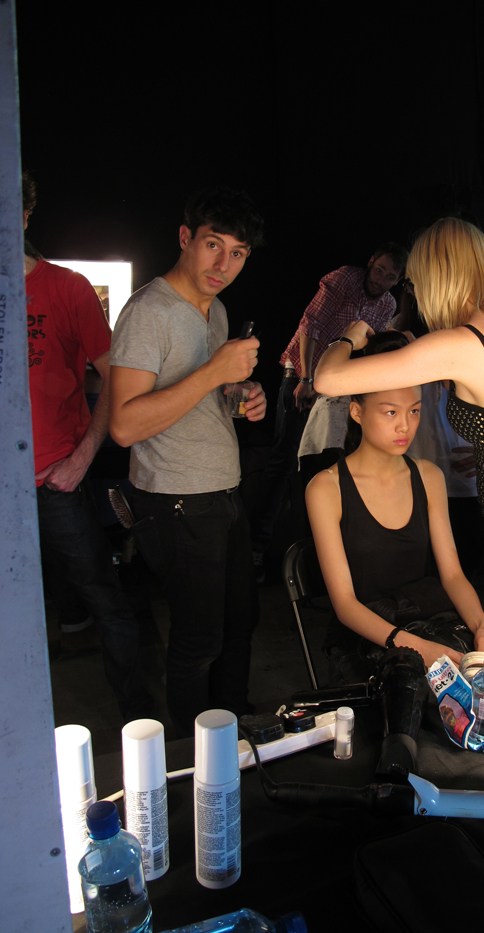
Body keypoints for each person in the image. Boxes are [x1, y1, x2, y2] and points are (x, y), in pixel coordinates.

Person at [314, 217, 484, 647]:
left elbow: (327, 380)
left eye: (418, 281)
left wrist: (346, 339)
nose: (417, 293)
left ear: (438, 278)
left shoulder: (462, 344)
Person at [109, 186, 265, 737]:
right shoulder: (148, 311)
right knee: (198, 641)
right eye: (213, 245)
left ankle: (236, 734)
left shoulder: (216, 311)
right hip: (176, 499)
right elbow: (124, 424)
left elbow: (202, 397)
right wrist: (213, 372)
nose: (223, 264)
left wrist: (240, 397)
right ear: (185, 238)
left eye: (238, 253)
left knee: (239, 626)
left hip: (222, 491)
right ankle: (195, 756)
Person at [22, 171, 152, 721]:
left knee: (104, 595)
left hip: (55, 478)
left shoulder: (66, 288)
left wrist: (80, 460)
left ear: (24, 213)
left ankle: (144, 727)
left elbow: (114, 378)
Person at [306, 332, 484, 686]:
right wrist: (416, 648)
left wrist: (482, 627)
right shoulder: (326, 488)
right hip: (365, 638)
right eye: (390, 412)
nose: (404, 426)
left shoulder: (428, 476)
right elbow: (346, 604)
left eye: (414, 411)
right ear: (357, 412)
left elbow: (453, 575)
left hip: (427, 618)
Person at [250, 243, 408, 578]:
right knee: (284, 460)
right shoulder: (345, 280)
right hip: (303, 374)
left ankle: (323, 557)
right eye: (379, 270)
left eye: (389, 277)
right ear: (370, 262)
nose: (380, 280)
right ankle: (256, 550)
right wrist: (306, 378)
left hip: (337, 390)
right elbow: (311, 325)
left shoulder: (388, 303)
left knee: (326, 464)